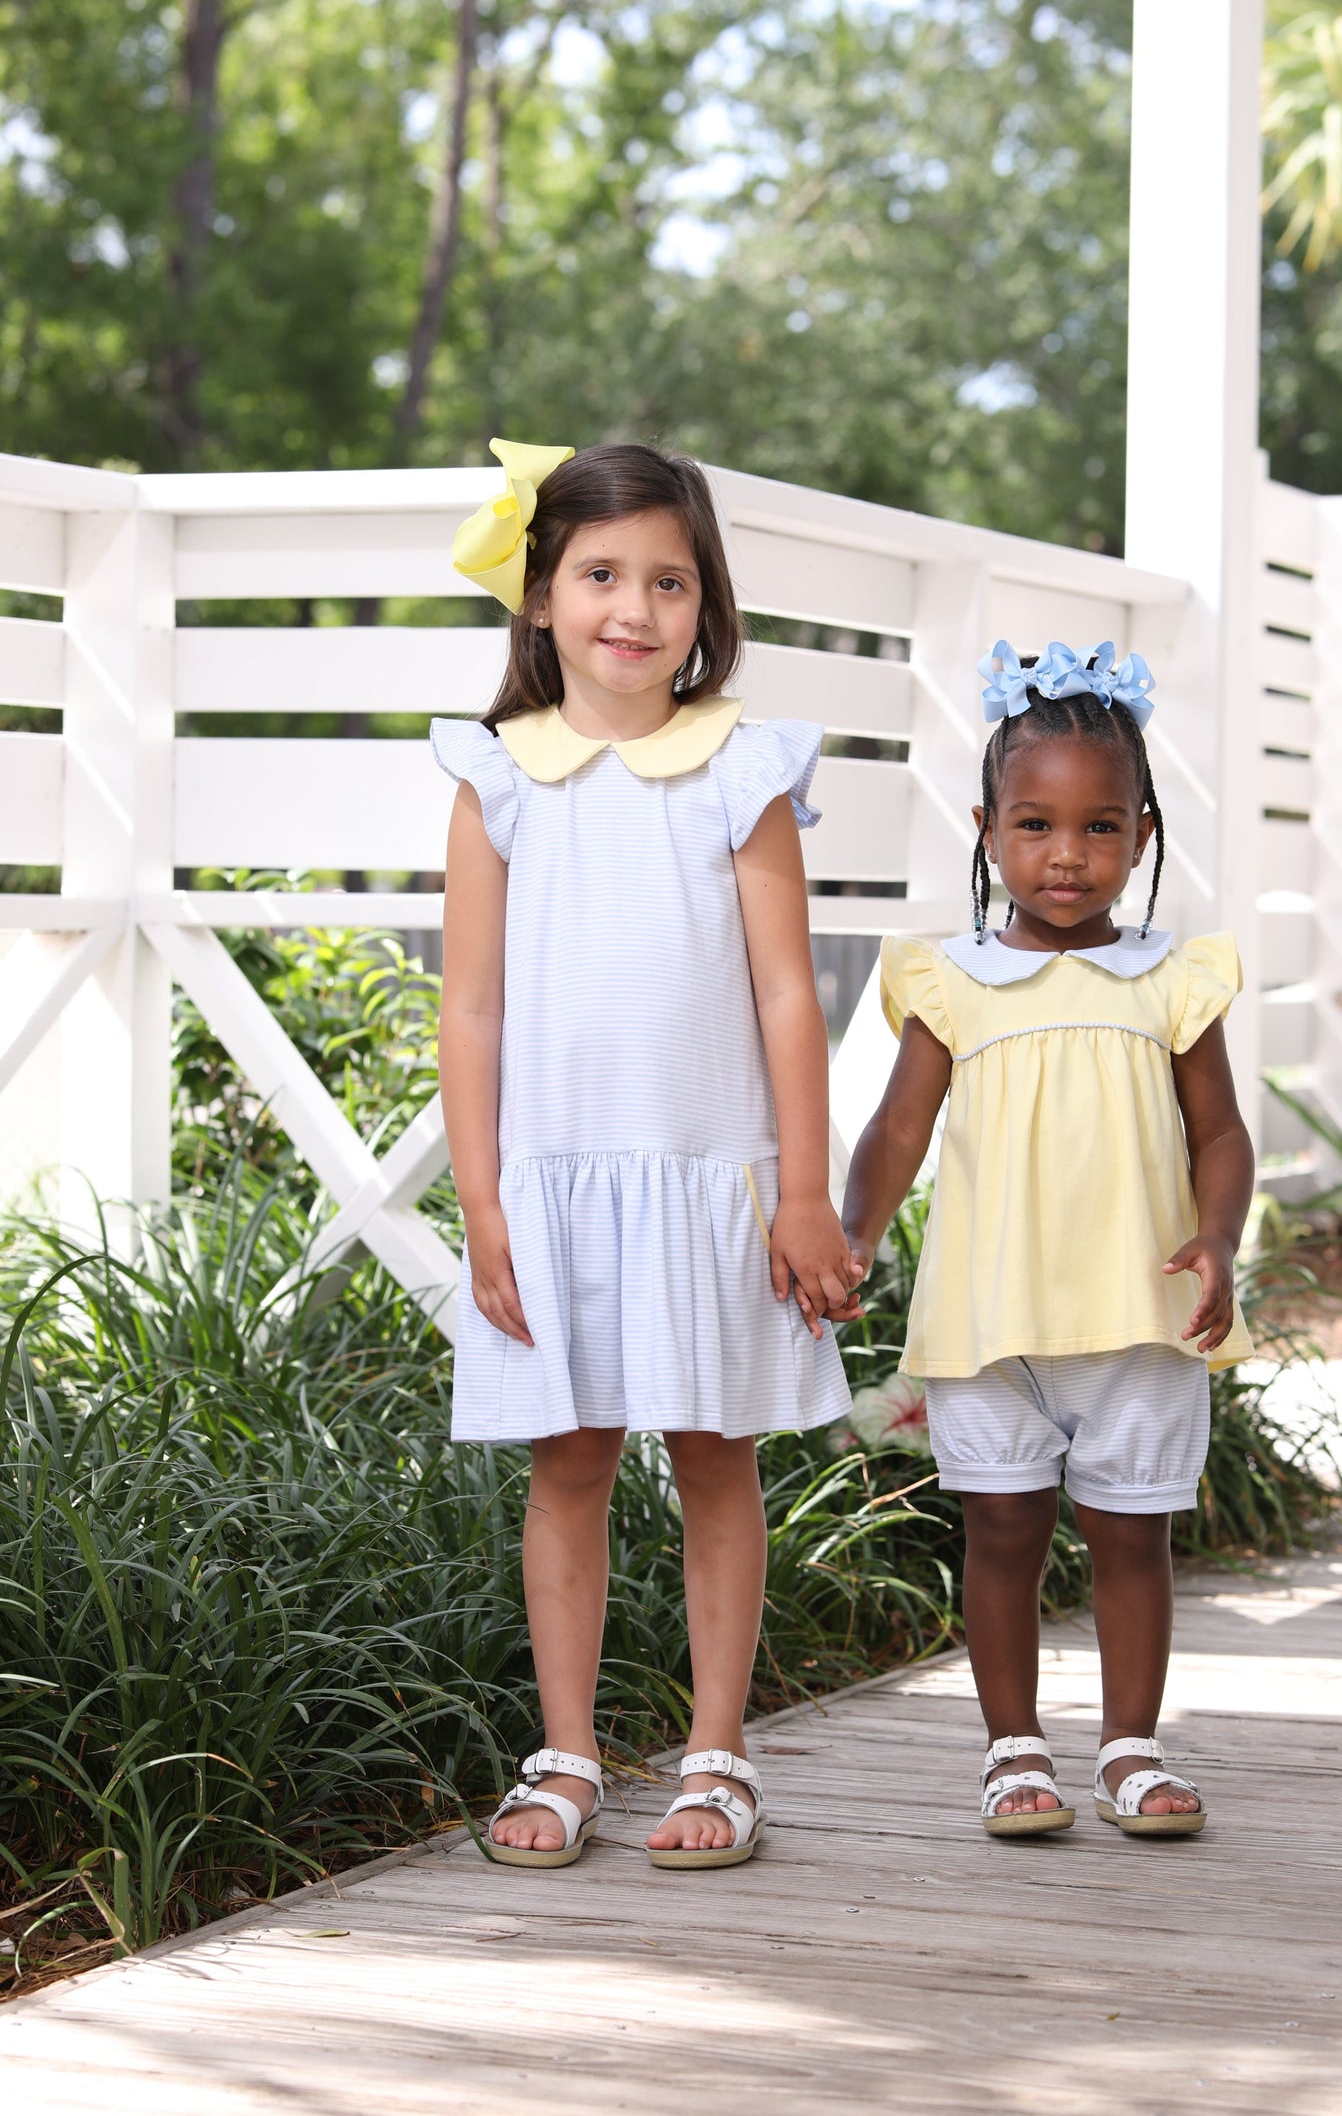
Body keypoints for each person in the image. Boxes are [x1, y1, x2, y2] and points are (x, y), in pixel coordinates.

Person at [433, 437, 860, 1870]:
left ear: (706, 602)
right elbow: (473, 1002)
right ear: (540, 599)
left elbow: (790, 991)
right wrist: (483, 1198)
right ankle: (564, 1753)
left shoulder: (740, 765)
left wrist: (804, 1191)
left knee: (713, 1454)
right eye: (601, 573)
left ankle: (716, 1753)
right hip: (553, 1181)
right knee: (569, 1458)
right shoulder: (499, 776)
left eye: (668, 579)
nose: (636, 606)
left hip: (709, 1177)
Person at [840, 641, 1254, 1839]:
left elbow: (1218, 1133)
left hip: (1137, 1315)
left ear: (1140, 830)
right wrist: (855, 1231)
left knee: (1131, 1534)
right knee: (1003, 1527)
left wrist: (1218, 1238)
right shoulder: (947, 978)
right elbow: (896, 1126)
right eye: (1032, 823)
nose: (1064, 854)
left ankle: (1128, 1746)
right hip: (988, 1318)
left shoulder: (1171, 977)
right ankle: (1011, 1747)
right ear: (984, 827)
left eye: (1097, 826)